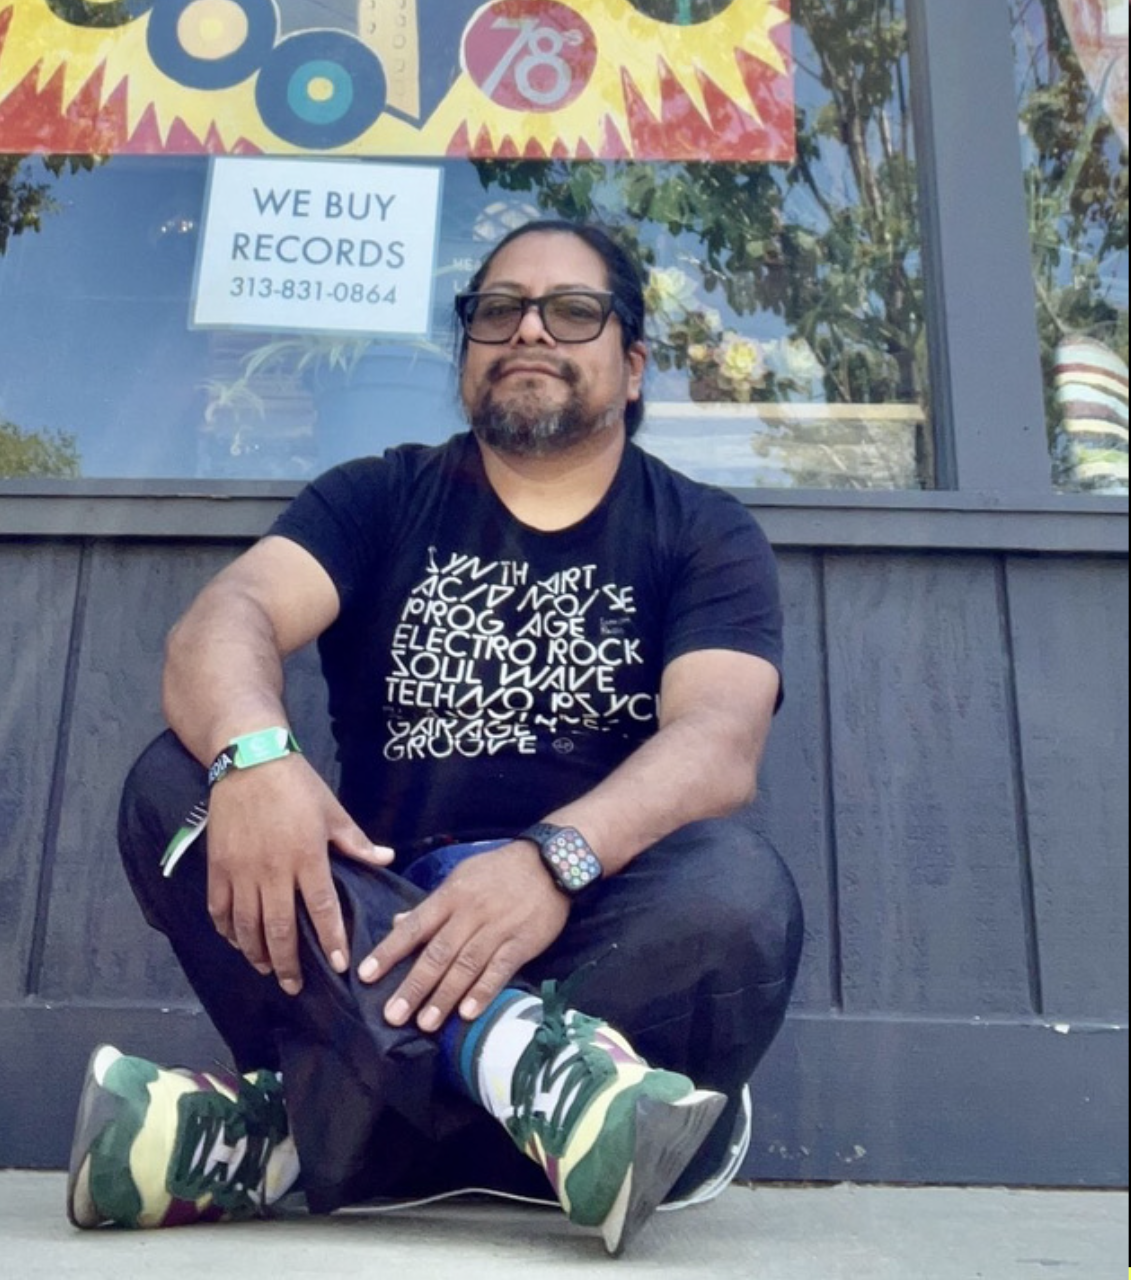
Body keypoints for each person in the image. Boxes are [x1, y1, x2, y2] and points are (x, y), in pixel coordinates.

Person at [66, 220, 804, 1256]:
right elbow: (223, 620)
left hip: (579, 937)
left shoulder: (701, 531)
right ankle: (533, 1081)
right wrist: (256, 756)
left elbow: (719, 738)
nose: (528, 330)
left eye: (572, 311)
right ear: (465, 354)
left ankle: (300, 1130)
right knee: (174, 783)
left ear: (632, 366)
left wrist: (550, 859)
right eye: (496, 309)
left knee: (736, 891)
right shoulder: (379, 496)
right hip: (371, 929)